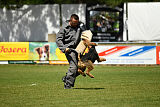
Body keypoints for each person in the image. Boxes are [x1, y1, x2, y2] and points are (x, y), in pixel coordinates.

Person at [56, 14, 86, 89]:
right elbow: (58, 40)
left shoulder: (80, 25)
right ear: (70, 21)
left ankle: (67, 77)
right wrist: (64, 48)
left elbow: (86, 34)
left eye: (77, 23)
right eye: (74, 23)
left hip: (78, 49)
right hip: (69, 49)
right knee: (74, 67)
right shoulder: (64, 28)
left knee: (83, 67)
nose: (76, 25)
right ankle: (68, 84)